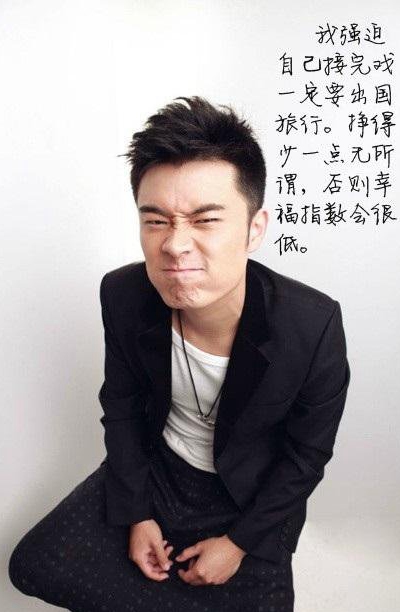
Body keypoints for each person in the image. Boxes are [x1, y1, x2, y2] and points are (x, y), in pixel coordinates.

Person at [8, 95, 350, 612]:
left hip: (249, 495)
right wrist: (136, 511)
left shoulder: (312, 325)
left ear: (255, 228)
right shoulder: (123, 294)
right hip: (160, 471)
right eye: (156, 221)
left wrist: (237, 545)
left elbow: (306, 457)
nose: (174, 245)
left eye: (205, 220)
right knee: (32, 565)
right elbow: (121, 407)